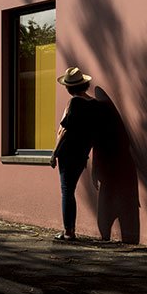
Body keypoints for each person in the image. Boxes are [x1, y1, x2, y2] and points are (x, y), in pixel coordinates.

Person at [49, 65, 103, 241]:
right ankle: (69, 230)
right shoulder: (95, 105)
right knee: (69, 190)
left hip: (68, 152)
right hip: (82, 153)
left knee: (67, 191)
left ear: (69, 87)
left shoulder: (74, 103)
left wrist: (54, 153)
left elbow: (64, 130)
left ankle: (69, 231)